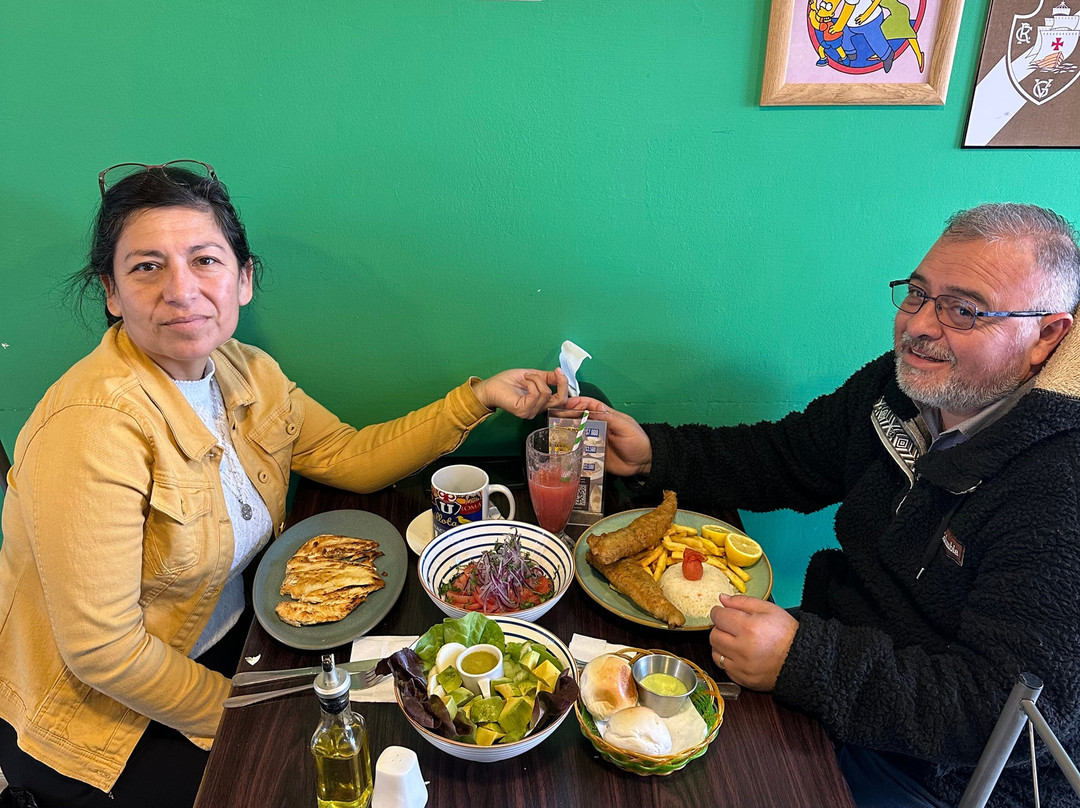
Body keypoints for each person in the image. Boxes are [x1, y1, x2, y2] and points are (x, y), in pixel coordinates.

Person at [0, 161, 568, 808]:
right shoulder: (93, 426)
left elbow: (348, 455)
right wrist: (248, 716)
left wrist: (479, 398)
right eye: (147, 267)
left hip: (234, 643)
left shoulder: (245, 371)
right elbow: (103, 652)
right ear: (111, 292)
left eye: (205, 260)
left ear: (243, 279)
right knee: (308, 783)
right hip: (103, 725)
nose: (181, 290)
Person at [568, 204, 1080, 808]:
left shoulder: (1060, 486)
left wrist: (805, 661)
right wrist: (656, 453)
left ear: (1047, 335)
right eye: (918, 294)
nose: (918, 326)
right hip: (831, 661)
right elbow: (789, 457)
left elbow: (1005, 715)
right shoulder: (904, 385)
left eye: (963, 310)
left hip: (934, 774)